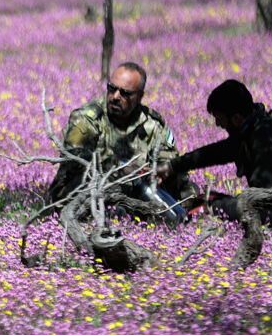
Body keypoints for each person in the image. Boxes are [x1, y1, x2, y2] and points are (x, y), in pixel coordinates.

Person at [158, 79, 272, 237]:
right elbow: (215, 153)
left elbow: (263, 199)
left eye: (220, 119)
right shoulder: (253, 128)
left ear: (237, 118)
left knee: (210, 205)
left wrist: (220, 206)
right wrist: (172, 166)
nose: (218, 124)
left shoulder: (265, 139)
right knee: (210, 200)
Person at [45, 61, 192, 222]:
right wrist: (119, 167)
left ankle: (188, 217)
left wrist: (161, 170)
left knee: (183, 185)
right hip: (88, 189)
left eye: (125, 93)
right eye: (112, 88)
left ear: (140, 96)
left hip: (136, 191)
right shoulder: (87, 118)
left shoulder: (152, 123)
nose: (115, 97)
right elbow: (74, 159)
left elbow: (168, 157)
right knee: (105, 199)